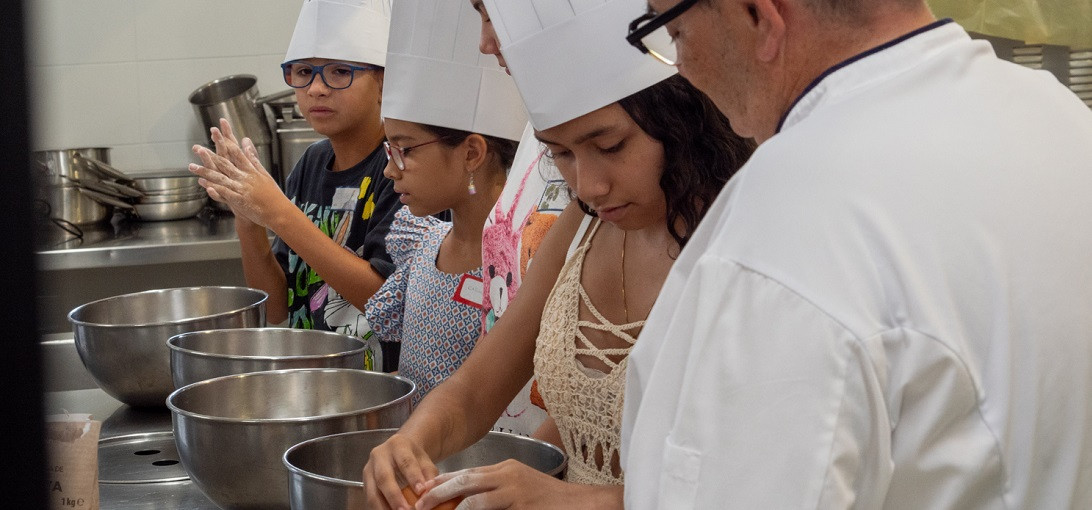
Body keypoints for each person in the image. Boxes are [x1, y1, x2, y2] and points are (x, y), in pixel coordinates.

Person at [620, 0, 1092, 508]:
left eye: (674, 33)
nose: (684, 70)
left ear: (760, 15)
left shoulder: (786, 227)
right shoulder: (1058, 115)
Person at [362, 0, 754, 507]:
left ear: (679, 118)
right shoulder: (586, 220)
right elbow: (477, 388)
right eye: (560, 153)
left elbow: (765, 480)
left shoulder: (740, 237)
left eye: (610, 146)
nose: (588, 184)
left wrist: (580, 501)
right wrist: (411, 442)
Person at [189, 0, 401, 370]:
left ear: (383, 82)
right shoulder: (312, 163)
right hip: (313, 380)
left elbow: (384, 298)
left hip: (380, 385)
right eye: (303, 71)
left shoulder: (400, 168)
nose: (316, 88)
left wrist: (279, 212)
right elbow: (275, 306)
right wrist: (249, 219)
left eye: (339, 72)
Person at [362, 0, 524, 407]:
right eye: (388, 150)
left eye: (405, 150)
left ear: (472, 153)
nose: (389, 171)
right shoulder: (420, 246)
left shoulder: (528, 262)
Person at [471, 0, 570, 437]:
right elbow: (507, 303)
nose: (484, 42)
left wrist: (534, 460)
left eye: (492, 16)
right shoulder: (538, 126)